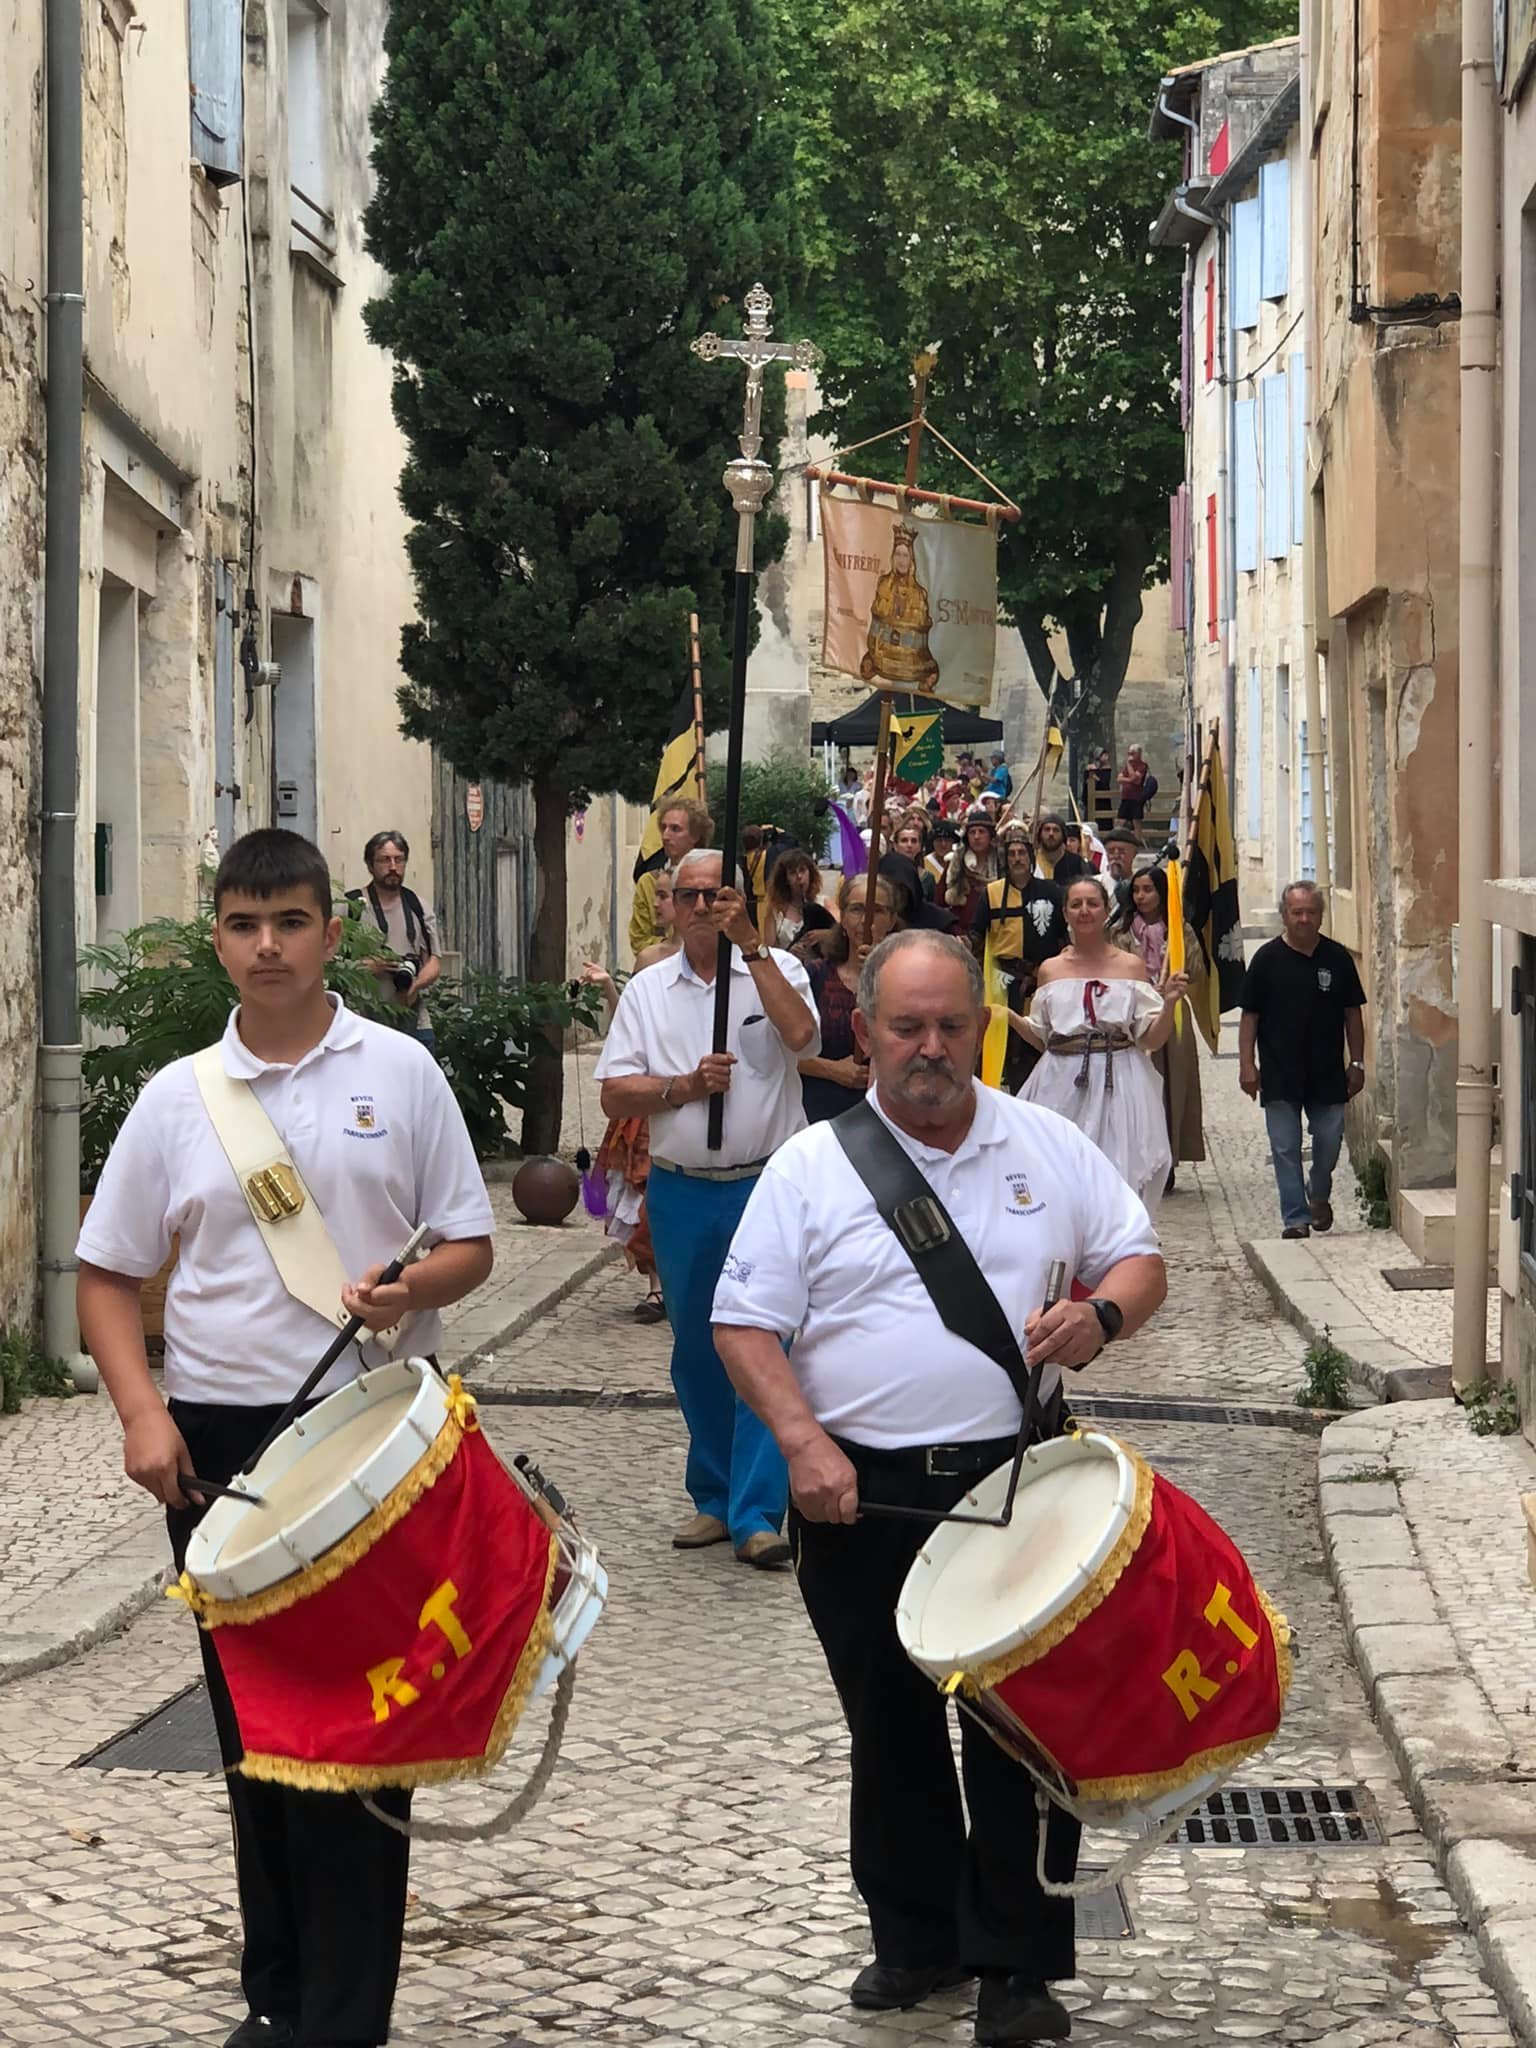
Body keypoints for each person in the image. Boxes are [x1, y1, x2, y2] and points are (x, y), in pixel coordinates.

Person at [76, 828, 495, 2048]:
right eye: (246, 923)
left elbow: (468, 1239)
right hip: (220, 1445)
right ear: (219, 933)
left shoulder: (403, 1073)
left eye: (292, 921)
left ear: (334, 932)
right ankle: (280, 1993)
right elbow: (107, 1277)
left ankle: (346, 2014)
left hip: (371, 1434)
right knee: (255, 1729)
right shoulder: (177, 1099)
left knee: (368, 1726)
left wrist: (412, 1291)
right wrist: (141, 1414)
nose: (269, 945)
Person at [711, 929, 1166, 2047]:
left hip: (1019, 1486)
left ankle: (1018, 1963)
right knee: (891, 1725)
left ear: (984, 1026)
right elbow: (743, 1321)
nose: (929, 1048)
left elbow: (1139, 1256)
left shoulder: (1046, 1143)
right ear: (863, 1032)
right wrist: (800, 1441)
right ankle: (916, 1940)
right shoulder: (811, 1168)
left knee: (1022, 1734)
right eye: (905, 1026)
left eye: (950, 1025)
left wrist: (1100, 1315)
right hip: (859, 1496)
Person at [594, 848, 819, 1567]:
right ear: (669, 904)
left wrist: (753, 949)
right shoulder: (649, 991)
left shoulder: (778, 972)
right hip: (684, 1183)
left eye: (712, 895)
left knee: (762, 1341)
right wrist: (682, 1089)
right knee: (696, 1347)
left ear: (736, 900)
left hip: (764, 1185)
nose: (698, 908)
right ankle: (713, 1497)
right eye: (684, 896)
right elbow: (614, 1091)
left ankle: (759, 1510)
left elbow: (804, 1038)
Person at [1019, 875, 1186, 1217]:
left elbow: (1151, 1038)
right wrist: (1007, 1018)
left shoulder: (1130, 966)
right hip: (1062, 1081)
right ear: (1065, 912)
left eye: (1092, 903)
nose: (1084, 911)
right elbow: (1042, 1038)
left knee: (1117, 1173)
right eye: (1076, 904)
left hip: (1120, 1081)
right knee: (1062, 1172)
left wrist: (1168, 1004)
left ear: (1106, 910)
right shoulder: (1050, 971)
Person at [1238, 881, 1366, 1238]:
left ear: (1321, 916)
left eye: (1311, 912)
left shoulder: (1337, 958)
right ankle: (1295, 1217)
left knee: (1329, 1139)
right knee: (1285, 1147)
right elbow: (1250, 1017)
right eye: (1297, 912)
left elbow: (1352, 1014)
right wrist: (1247, 1065)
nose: (1304, 919)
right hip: (1280, 1071)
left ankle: (1319, 1193)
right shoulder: (1266, 960)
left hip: (1327, 1071)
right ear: (1284, 915)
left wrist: (1357, 1062)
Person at [581, 883, 680, 1324]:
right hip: (646, 1089)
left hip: (691, 1092)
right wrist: (607, 987)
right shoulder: (649, 960)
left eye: (663, 895)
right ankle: (658, 1286)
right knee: (643, 1190)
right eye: (658, 895)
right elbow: (630, 1027)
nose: (655, 904)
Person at [1122, 865, 1206, 1186]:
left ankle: (1169, 1156)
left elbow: (1196, 970)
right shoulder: (1121, 931)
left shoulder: (1178, 929)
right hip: (1136, 1015)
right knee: (1139, 1089)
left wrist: (1179, 957)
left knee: (1173, 1086)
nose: (1142, 896)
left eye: (1149, 889)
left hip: (1173, 1015)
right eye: (1137, 890)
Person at [798, 872, 900, 1122]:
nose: (866, 921)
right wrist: (832, 1070)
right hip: (820, 1112)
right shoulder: (813, 976)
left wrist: (881, 972)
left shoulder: (905, 981)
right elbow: (781, 1052)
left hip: (885, 1114)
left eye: (877, 911)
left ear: (892, 919)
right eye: (857, 909)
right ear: (842, 917)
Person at [977, 825, 1068, 1092]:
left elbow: (1064, 936)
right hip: (1003, 979)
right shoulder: (992, 892)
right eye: (1012, 854)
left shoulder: (1052, 891)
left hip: (1043, 978)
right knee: (1005, 1042)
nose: (1017, 858)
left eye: (1022, 853)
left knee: (1041, 1038)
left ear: (1030, 857)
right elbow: (976, 932)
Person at [349, 829, 441, 1049]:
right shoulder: (352, 907)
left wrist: (415, 985)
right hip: (364, 1021)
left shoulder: (418, 906)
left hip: (413, 1021)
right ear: (370, 865)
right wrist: (365, 967)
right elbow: (328, 964)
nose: (393, 867)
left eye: (399, 860)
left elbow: (434, 961)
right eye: (384, 860)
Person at [630, 797, 712, 959]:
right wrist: (673, 948)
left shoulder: (713, 881)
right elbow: (639, 939)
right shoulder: (648, 882)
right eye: (663, 828)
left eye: (675, 829)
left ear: (695, 836)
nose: (666, 836)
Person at [761, 846, 835, 951]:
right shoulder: (775, 910)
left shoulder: (824, 903)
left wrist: (824, 935)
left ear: (810, 873)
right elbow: (771, 951)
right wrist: (789, 954)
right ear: (785, 879)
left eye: (802, 870)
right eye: (792, 873)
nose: (799, 876)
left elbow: (844, 933)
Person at [944, 808, 1001, 944]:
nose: (976, 837)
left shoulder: (1002, 864)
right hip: (959, 939)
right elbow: (940, 906)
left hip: (995, 938)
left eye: (981, 832)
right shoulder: (955, 865)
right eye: (972, 832)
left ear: (990, 836)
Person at [1116, 746, 1151, 829]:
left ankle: (1138, 840)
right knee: (1119, 821)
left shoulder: (1142, 766)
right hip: (1125, 797)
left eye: (1132, 753)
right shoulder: (1126, 766)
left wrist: (1129, 765)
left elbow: (1137, 780)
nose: (1130, 755)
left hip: (1136, 797)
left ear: (1139, 753)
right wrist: (1131, 779)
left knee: (1136, 822)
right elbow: (1119, 779)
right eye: (1129, 753)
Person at [1032, 814, 1068, 882]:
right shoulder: (1031, 861)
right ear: (1040, 834)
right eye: (1047, 829)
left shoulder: (1077, 863)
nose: (1051, 833)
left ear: (1063, 835)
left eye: (1056, 830)